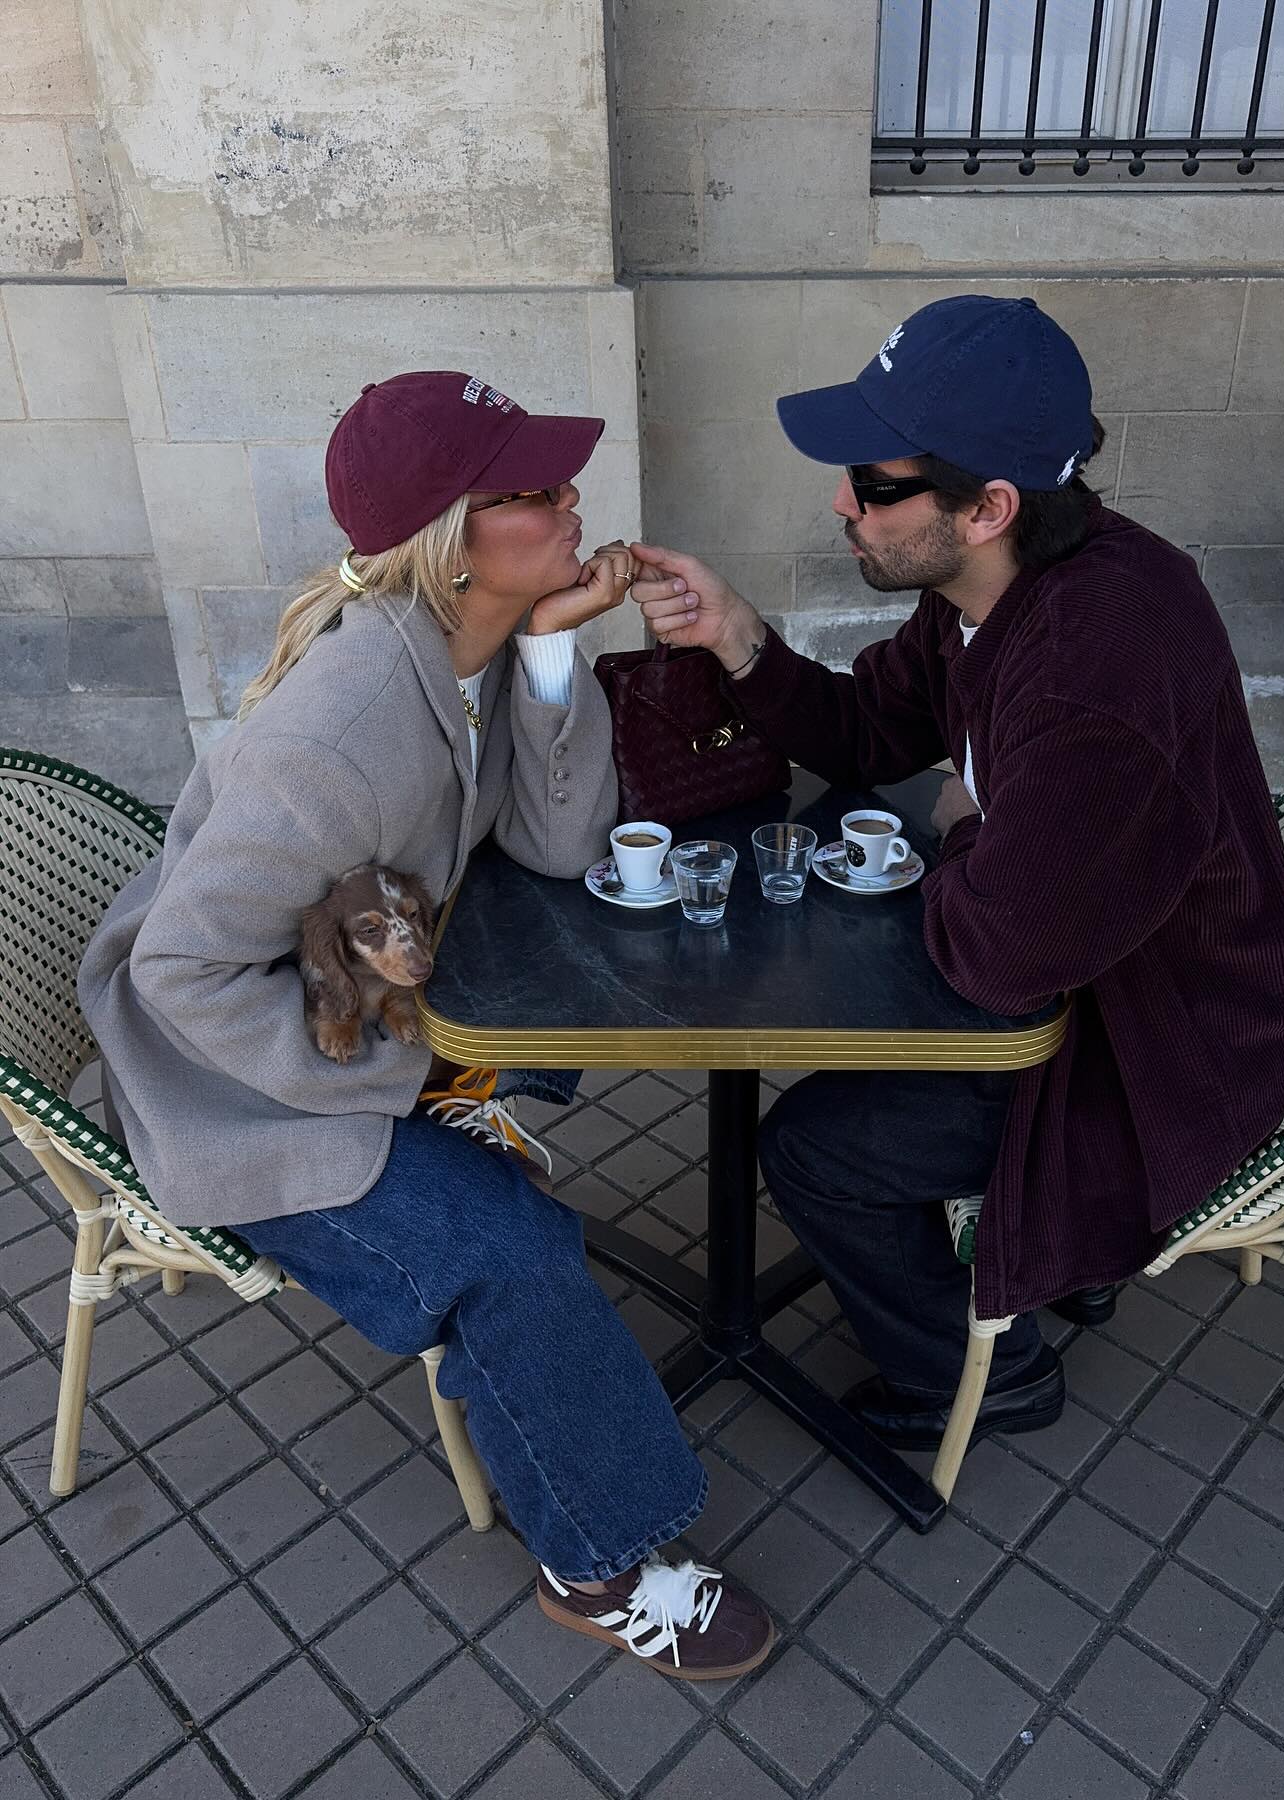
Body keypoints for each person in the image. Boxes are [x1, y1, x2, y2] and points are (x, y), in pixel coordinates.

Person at [78, 371, 773, 1679]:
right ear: (453, 541)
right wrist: (411, 1075)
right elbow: (182, 976)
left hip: (339, 1018)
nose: (575, 500)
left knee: (556, 1048)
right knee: (514, 1249)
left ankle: (516, 1345)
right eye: (535, 491)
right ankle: (598, 1560)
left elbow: (561, 846)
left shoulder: (464, 658)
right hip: (226, 1098)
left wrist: (556, 646)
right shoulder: (341, 726)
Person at [629, 296, 1284, 1451]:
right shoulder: (980, 600)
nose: (843, 503)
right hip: (1098, 984)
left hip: (1155, 1054)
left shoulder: (1098, 658)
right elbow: (867, 732)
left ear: (989, 506)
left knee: (813, 1149)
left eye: (876, 482)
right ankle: (1036, 1267)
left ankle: (987, 1376)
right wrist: (737, 636)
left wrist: (965, 823)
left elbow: (1002, 956)